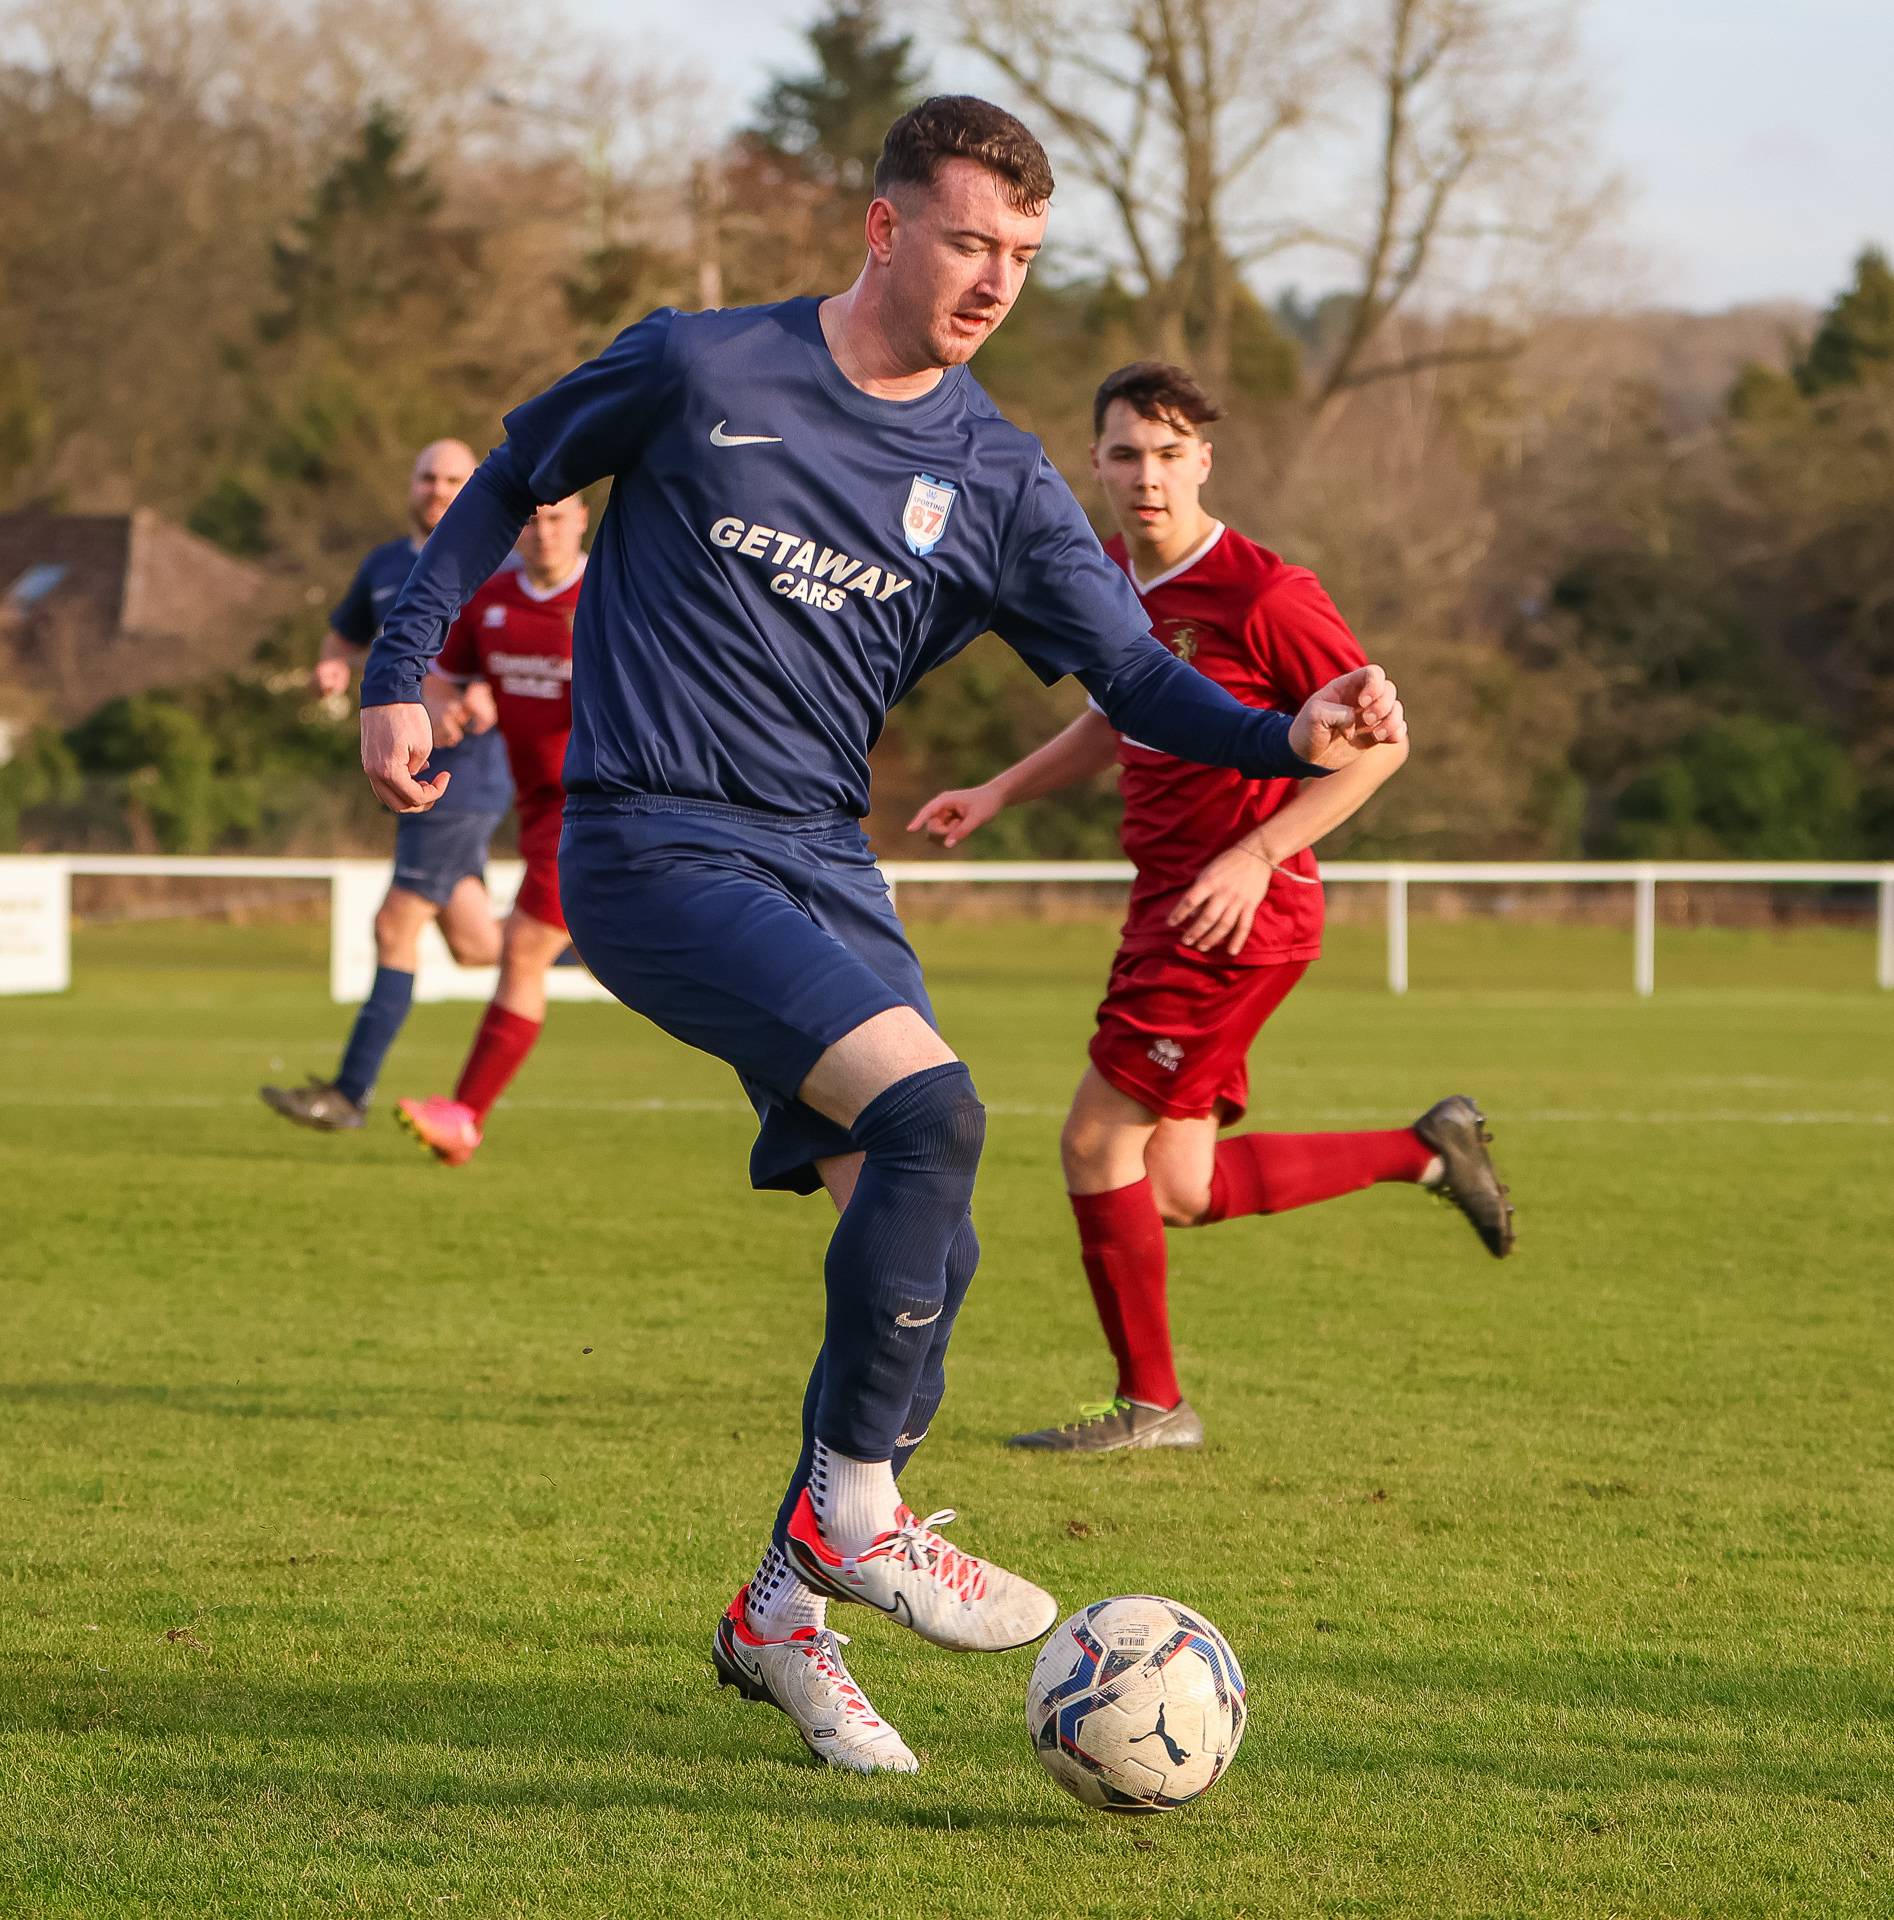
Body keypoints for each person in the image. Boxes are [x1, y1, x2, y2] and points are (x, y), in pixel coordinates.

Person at [357, 98, 1406, 1776]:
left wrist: (1289, 736)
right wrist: (402, 664)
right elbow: (509, 481)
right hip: (650, 840)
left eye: (1025, 256)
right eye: (972, 241)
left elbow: (1138, 678)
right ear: (885, 227)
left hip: (821, 865)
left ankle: (784, 1612)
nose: (996, 281)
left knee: (930, 1250)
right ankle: (857, 1516)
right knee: (933, 1114)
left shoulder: (996, 475)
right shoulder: (702, 365)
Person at [910, 362, 1513, 1457]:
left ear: (1203, 462)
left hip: (1233, 917)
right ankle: (1424, 1149)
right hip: (1171, 903)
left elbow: (1383, 747)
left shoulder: (1266, 595)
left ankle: (1153, 1408)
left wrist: (1256, 852)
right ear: (1094, 464)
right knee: (1178, 1186)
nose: (1147, 476)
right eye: (1126, 454)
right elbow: (1117, 716)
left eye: (1169, 453)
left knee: (1096, 1143)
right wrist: (1000, 790)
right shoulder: (1104, 577)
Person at [260, 440, 514, 1132]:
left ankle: (348, 1095)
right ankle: (588, 937)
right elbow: (342, 636)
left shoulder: (496, 563)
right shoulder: (382, 564)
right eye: (428, 477)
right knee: (478, 945)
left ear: (475, 485)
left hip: (461, 778)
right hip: (409, 772)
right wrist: (332, 667)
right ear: (410, 485)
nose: (438, 489)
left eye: (454, 478)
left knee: (393, 925)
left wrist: (489, 690)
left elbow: (521, 650)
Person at [394, 496, 590, 1166]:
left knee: (523, 951)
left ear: (583, 520)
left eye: (558, 519)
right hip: (536, 808)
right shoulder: (493, 599)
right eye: (532, 520)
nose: (544, 532)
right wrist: (445, 703)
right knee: (533, 951)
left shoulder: (610, 595)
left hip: (597, 809)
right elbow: (440, 675)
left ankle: (464, 1116)